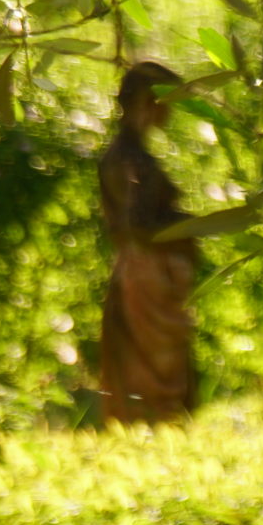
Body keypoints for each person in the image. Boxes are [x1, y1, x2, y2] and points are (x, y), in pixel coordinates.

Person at [95, 61, 199, 422]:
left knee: (163, 368)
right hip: (145, 276)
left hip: (149, 274)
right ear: (148, 103)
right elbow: (137, 225)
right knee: (153, 373)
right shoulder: (127, 159)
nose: (169, 112)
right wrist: (191, 228)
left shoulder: (131, 155)